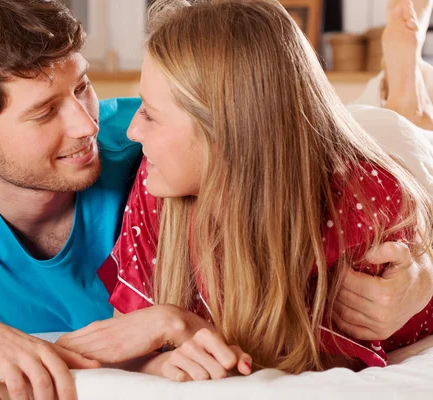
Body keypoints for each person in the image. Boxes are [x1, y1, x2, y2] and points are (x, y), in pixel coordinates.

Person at [0, 0, 430, 399]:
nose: (88, 125)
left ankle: (403, 93)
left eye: (84, 85)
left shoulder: (145, 149)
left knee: (385, 137)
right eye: (45, 112)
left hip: (313, 151)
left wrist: (421, 277)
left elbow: (276, 155)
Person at [58, 0, 433, 382]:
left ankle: (404, 74)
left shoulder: (364, 205)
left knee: (406, 125)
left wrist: (184, 326)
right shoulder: (161, 179)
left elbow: (327, 363)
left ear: (227, 136)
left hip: (379, 153)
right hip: (300, 135)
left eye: (151, 115)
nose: (133, 132)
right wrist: (168, 329)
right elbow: (130, 340)